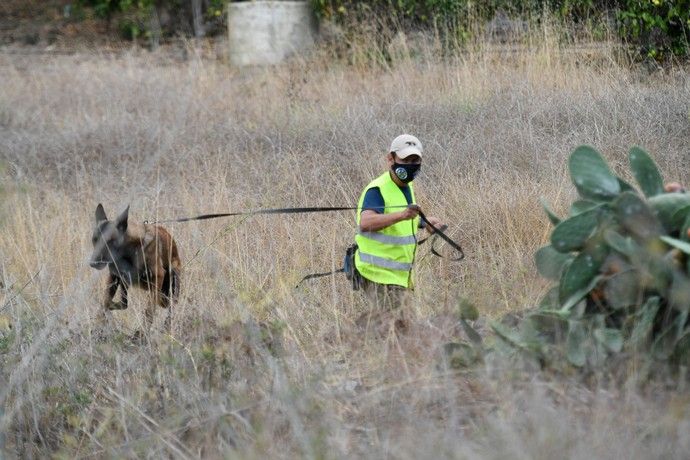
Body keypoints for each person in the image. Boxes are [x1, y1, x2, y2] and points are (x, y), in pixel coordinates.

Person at [353, 134, 443, 322]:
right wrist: (402, 215)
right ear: (390, 159)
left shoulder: (406, 187)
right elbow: (366, 222)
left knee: (395, 329)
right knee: (401, 330)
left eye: (414, 160)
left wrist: (424, 223)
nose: (410, 166)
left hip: (399, 276)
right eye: (405, 160)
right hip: (379, 274)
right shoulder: (377, 189)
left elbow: (397, 221)